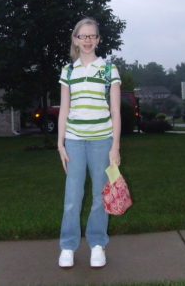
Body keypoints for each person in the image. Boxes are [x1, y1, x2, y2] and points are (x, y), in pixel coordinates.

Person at [57, 17, 121, 268]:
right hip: (73, 140)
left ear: (98, 39)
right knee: (72, 197)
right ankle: (67, 246)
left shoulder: (108, 70)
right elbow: (64, 109)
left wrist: (115, 146)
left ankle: (97, 244)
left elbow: (115, 111)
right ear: (75, 39)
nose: (87, 40)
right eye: (83, 36)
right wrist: (60, 144)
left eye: (92, 36)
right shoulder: (68, 71)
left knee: (99, 195)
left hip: (102, 140)